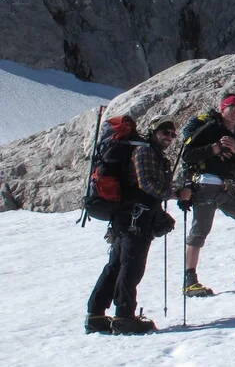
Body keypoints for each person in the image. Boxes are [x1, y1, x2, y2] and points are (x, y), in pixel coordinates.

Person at [85, 116, 178, 335]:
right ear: (153, 131)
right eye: (165, 132)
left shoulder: (144, 151)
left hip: (126, 216)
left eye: (173, 135)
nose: (169, 138)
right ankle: (125, 317)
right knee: (131, 266)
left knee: (116, 265)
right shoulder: (145, 151)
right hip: (136, 218)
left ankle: (96, 315)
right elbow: (146, 184)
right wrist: (173, 194)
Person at [177, 94, 235, 296]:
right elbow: (188, 154)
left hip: (227, 187)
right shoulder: (210, 128)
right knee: (199, 232)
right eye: (232, 107)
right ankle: (189, 279)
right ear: (222, 108)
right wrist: (214, 149)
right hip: (206, 185)